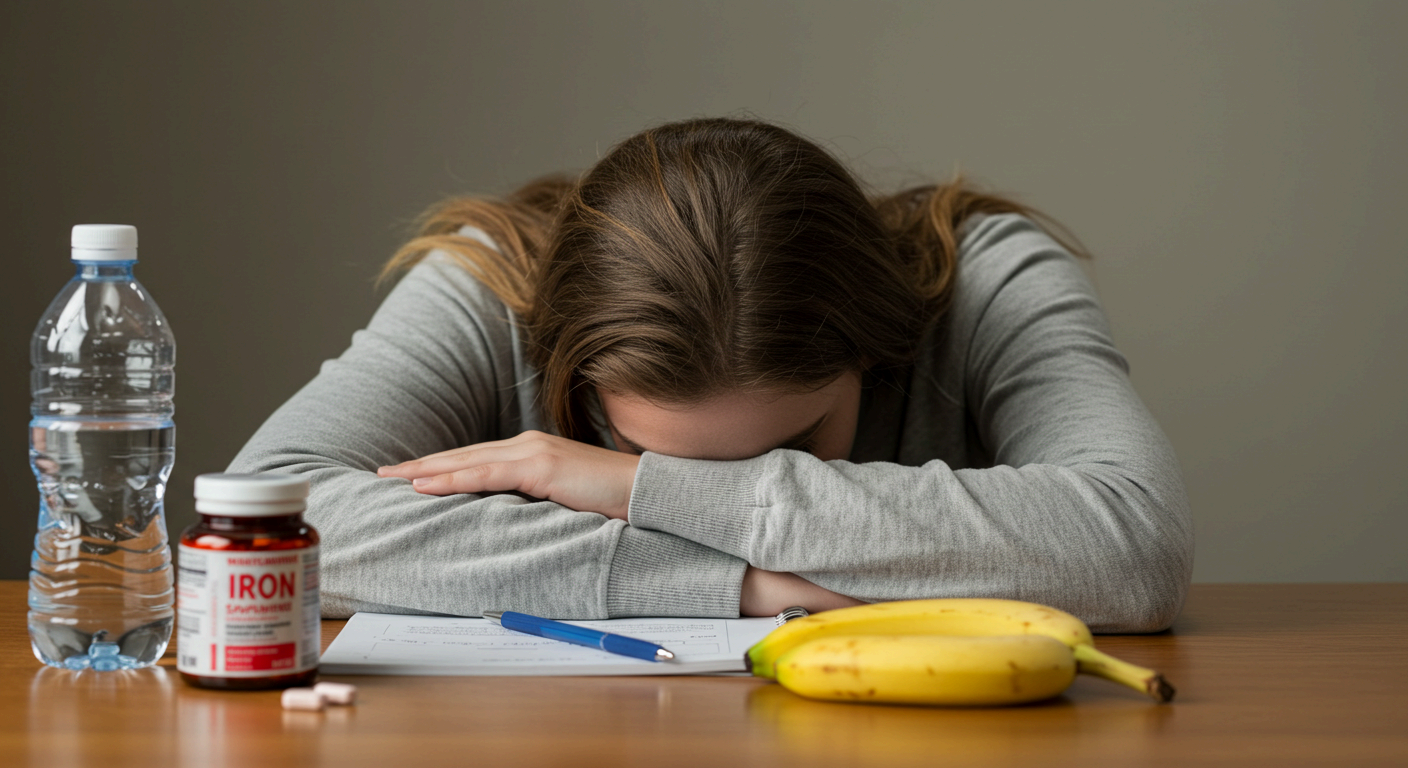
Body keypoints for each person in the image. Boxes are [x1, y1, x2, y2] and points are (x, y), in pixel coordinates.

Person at [228, 117, 1192, 632]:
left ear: (876, 344)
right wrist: (735, 584)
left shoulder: (985, 274)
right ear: (567, 361)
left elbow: (1134, 545)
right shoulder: (493, 282)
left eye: (791, 444)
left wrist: (637, 485)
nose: (717, 480)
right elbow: (267, 525)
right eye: (642, 445)